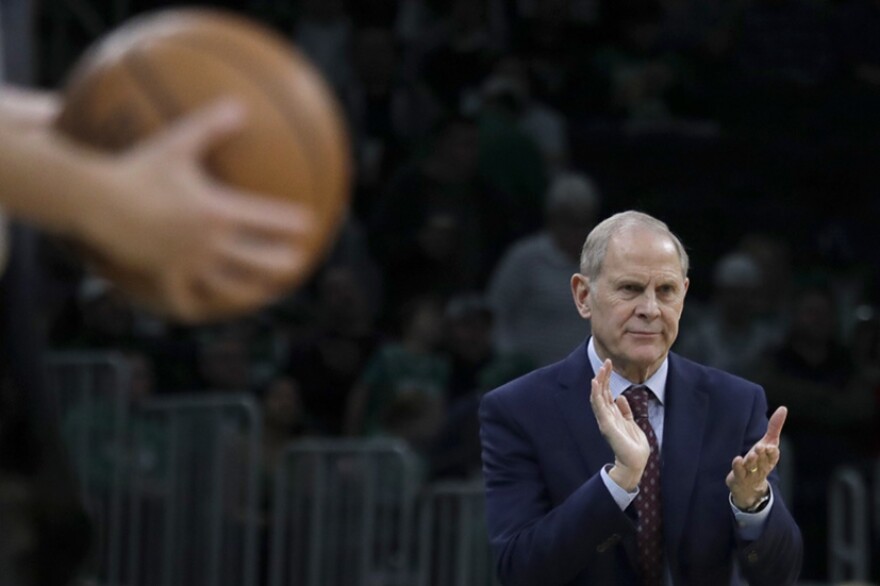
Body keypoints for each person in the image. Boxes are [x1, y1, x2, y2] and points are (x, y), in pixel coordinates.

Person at [479, 210, 802, 585]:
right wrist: (619, 482)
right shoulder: (518, 409)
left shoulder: (735, 403)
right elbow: (519, 571)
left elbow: (780, 574)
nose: (650, 309)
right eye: (630, 288)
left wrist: (754, 505)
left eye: (665, 291)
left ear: (683, 296)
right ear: (583, 296)